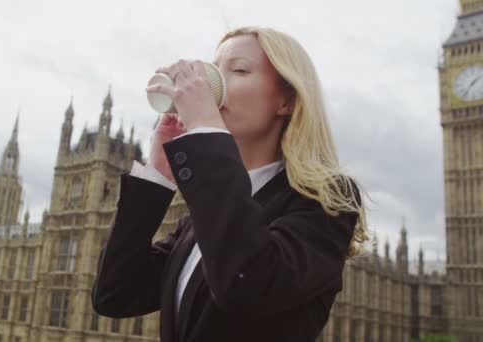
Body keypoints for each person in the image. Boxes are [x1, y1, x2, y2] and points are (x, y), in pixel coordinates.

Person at [91, 26, 368, 342]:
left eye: (238, 70)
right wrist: (157, 174)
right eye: (213, 70)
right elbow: (115, 293)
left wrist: (205, 132)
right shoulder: (202, 217)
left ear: (286, 100)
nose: (210, 86)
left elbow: (248, 285)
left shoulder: (327, 199)